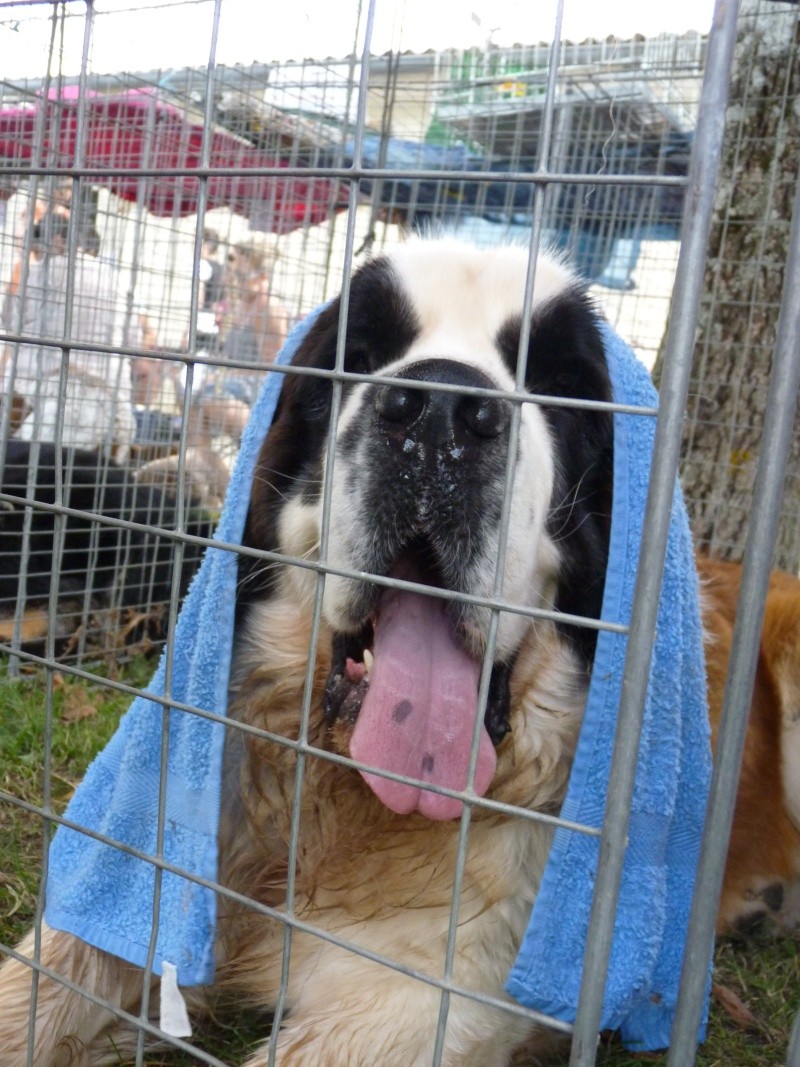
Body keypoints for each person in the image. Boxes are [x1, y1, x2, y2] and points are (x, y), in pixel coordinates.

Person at [1, 212, 136, 459]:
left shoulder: (37, 274)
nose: (37, 255)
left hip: (45, 406)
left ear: (57, 239)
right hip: (111, 410)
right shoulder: (115, 278)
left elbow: (10, 323)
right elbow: (135, 340)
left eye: (38, 247)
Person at [189, 236, 289, 447]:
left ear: (262, 277)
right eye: (233, 273)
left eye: (242, 276)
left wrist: (225, 376)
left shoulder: (269, 309)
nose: (236, 281)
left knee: (209, 399)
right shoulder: (240, 305)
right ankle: (210, 468)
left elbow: (273, 372)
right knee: (192, 396)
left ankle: (258, 449)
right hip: (236, 384)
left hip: (258, 391)